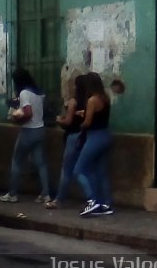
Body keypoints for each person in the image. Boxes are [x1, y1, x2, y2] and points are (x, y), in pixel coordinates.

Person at [0, 68, 50, 203]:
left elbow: (28, 113)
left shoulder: (24, 93)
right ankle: (46, 194)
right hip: (40, 129)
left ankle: (12, 194)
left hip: (29, 131)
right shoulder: (38, 92)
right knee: (41, 163)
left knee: (16, 161)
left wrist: (16, 118)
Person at [72, 72, 114, 216]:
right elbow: (99, 115)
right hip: (106, 135)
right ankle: (106, 204)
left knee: (78, 169)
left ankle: (92, 200)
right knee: (100, 172)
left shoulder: (92, 100)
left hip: (94, 137)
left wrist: (80, 122)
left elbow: (88, 122)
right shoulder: (105, 98)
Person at [45, 74, 86, 209]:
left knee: (67, 169)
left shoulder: (74, 101)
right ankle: (92, 197)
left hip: (73, 136)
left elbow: (68, 121)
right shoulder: (88, 101)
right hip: (84, 135)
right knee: (84, 168)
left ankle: (59, 199)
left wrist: (58, 120)